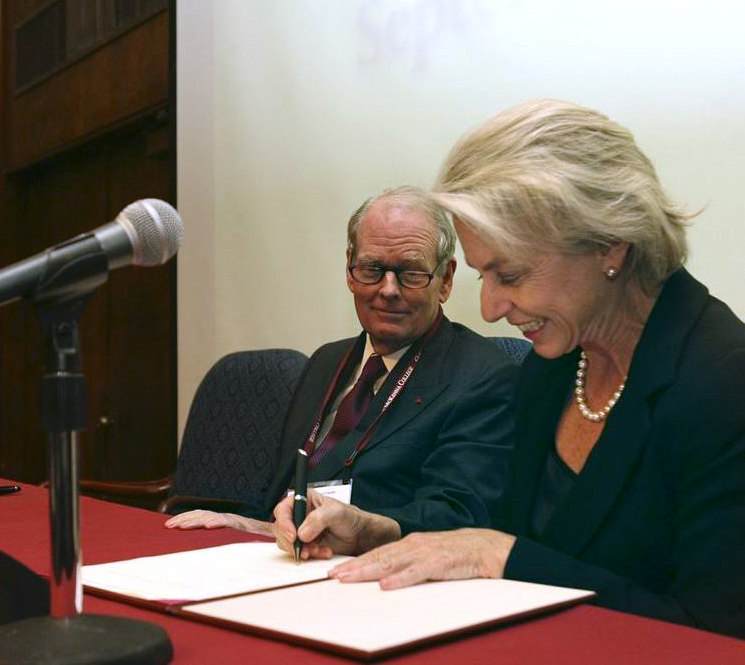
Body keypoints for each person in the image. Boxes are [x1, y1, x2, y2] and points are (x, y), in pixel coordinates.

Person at [304, 100, 745, 649]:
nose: (489, 308)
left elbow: (719, 640)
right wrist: (380, 529)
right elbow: (493, 538)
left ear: (609, 244)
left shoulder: (742, 389)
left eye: (508, 274)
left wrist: (504, 557)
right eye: (482, 275)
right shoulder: (554, 368)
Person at [166, 186, 517, 549]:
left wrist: (364, 528)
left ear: (444, 280)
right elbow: (282, 485)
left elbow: (456, 516)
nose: (388, 289)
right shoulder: (326, 361)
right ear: (350, 270)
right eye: (372, 269)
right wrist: (249, 524)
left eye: (411, 273)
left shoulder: (483, 377)